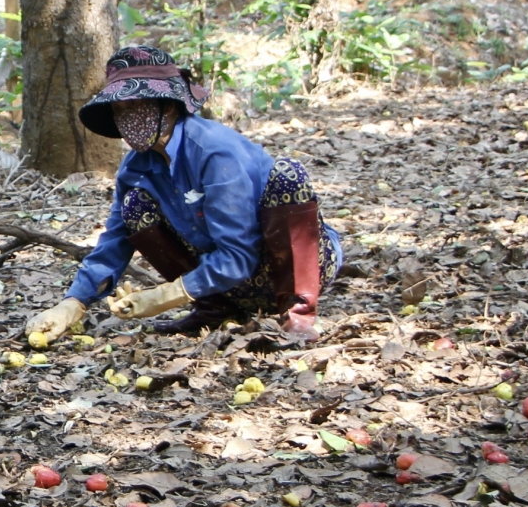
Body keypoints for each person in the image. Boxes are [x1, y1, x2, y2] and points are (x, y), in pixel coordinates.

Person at [24, 46, 342, 343]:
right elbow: (115, 240)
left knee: (288, 175)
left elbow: (238, 255)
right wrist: (73, 303)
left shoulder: (215, 153)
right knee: (135, 205)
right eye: (121, 109)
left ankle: (298, 313)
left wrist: (166, 295)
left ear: (169, 106)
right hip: (228, 283)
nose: (130, 117)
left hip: (284, 265)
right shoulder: (136, 170)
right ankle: (215, 309)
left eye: (139, 105)